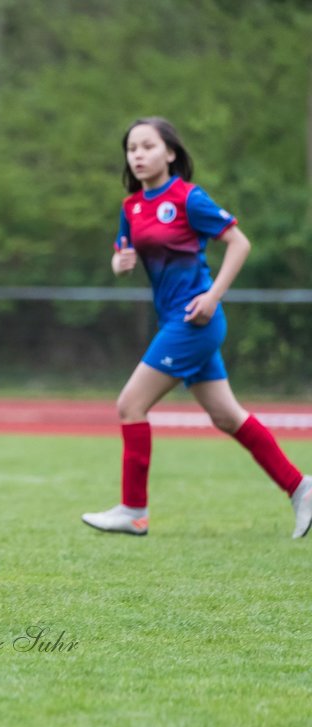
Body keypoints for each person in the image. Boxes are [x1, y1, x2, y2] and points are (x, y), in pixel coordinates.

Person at [82, 117, 312, 538]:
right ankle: (302, 489)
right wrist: (119, 264)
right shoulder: (130, 207)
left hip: (195, 322)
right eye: (131, 148)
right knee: (227, 417)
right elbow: (122, 254)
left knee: (130, 404)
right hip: (174, 321)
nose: (137, 155)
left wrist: (213, 296)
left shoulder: (188, 198)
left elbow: (240, 243)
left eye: (147, 146)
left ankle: (134, 510)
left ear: (170, 153)